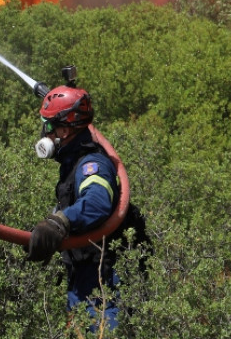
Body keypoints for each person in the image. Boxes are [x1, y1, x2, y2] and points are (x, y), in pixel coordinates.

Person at [25, 82, 145, 333]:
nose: (45, 133)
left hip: (102, 285)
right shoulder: (73, 162)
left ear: (65, 130)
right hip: (83, 282)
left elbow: (97, 202)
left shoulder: (91, 164)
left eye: (49, 126)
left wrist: (61, 222)